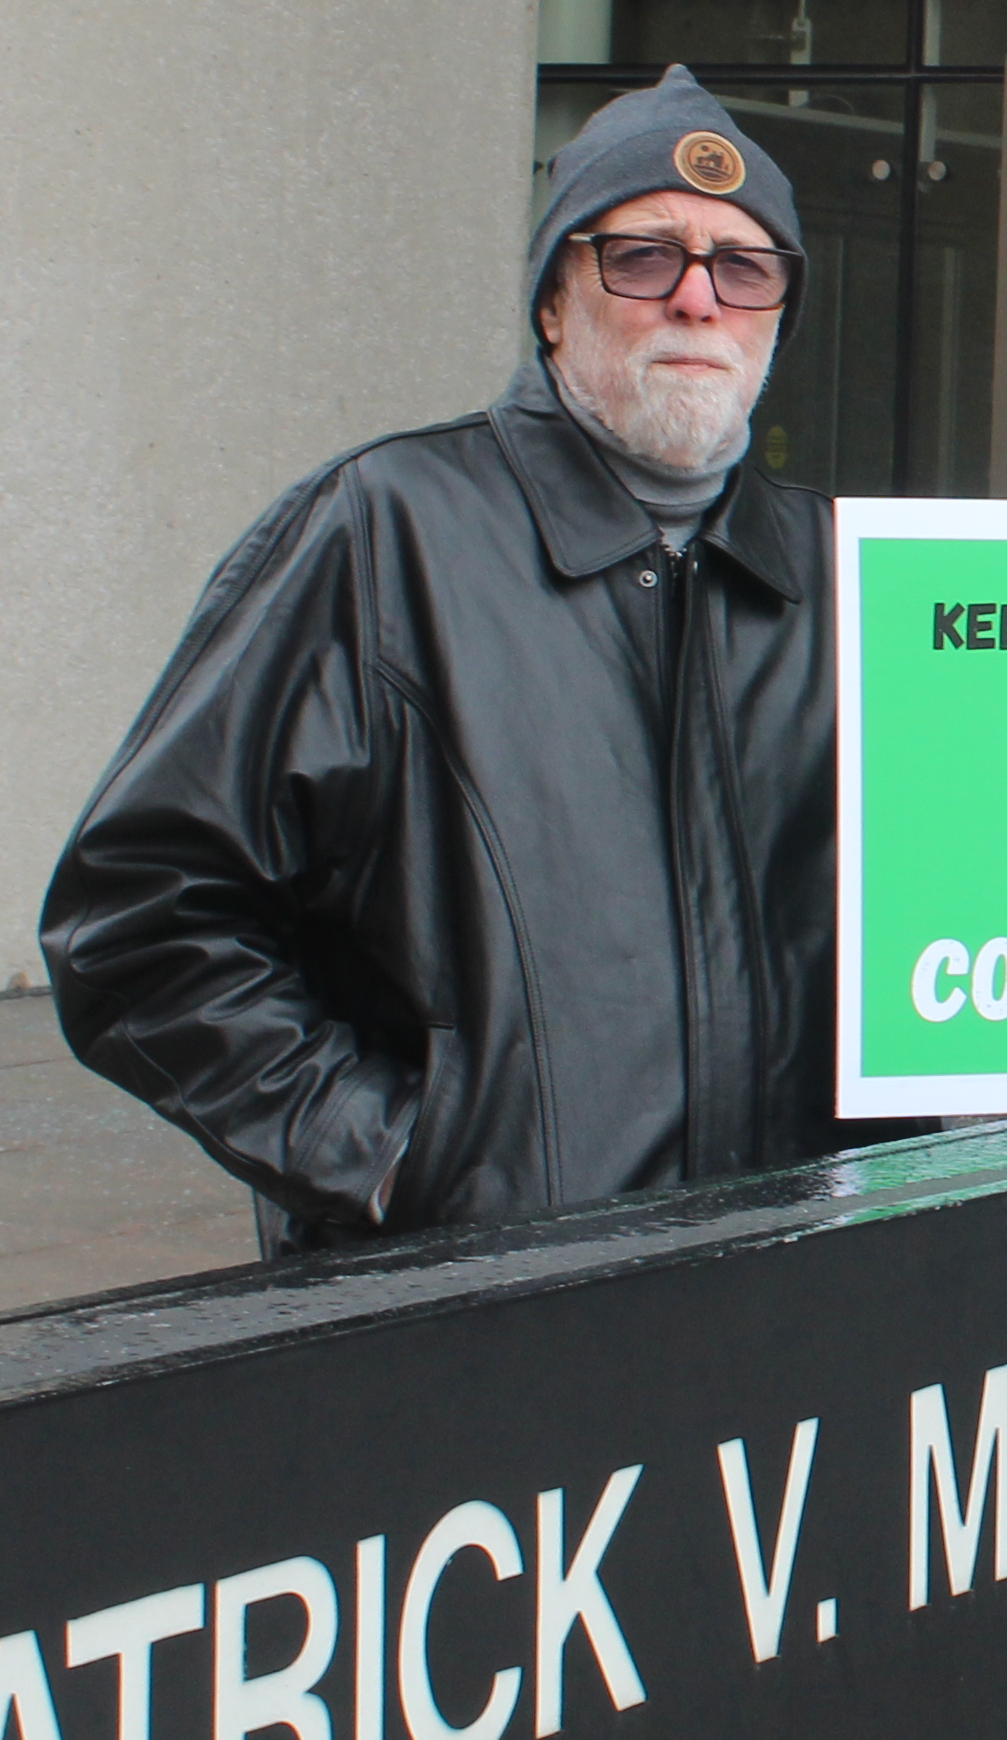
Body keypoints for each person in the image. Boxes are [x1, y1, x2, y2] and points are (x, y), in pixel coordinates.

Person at [42, 67, 834, 1237]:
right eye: (644, 257)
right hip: (475, 1326)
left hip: (790, 1308)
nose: (698, 300)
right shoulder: (385, 531)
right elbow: (139, 921)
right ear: (555, 300)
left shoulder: (844, 575)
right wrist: (397, 1162)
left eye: (744, 266)